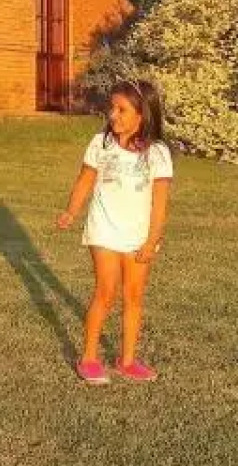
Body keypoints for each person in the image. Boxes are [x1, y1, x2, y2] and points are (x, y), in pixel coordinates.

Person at [55, 80, 174, 385]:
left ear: (142, 115)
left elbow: (160, 203)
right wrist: (71, 211)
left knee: (133, 297)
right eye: (112, 108)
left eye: (122, 110)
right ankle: (90, 358)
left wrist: (152, 240)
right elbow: (84, 180)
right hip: (103, 229)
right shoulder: (101, 144)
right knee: (106, 292)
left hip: (139, 236)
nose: (113, 115)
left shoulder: (158, 153)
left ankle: (127, 360)